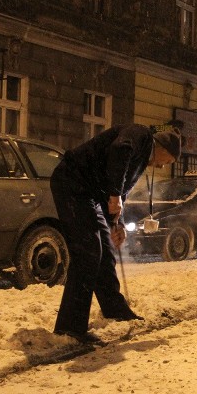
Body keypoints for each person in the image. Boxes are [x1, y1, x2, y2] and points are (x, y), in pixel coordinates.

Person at [50, 124, 182, 343]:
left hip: (89, 193)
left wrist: (116, 224)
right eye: (167, 161)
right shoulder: (139, 135)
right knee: (89, 252)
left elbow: (118, 188)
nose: (161, 166)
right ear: (163, 148)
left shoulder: (140, 158)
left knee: (104, 249)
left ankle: (114, 308)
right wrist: (114, 195)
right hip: (71, 184)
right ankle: (69, 327)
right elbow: (120, 150)